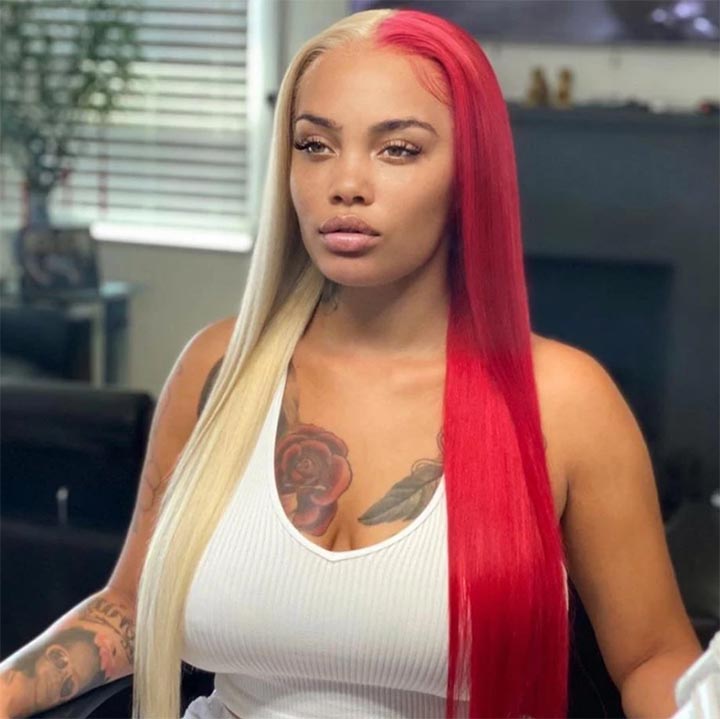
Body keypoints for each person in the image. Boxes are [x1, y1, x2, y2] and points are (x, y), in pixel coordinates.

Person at [0, 8, 703, 719]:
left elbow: (651, 656)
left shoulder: (564, 400)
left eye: (397, 149)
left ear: (470, 174)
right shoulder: (219, 369)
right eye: (315, 145)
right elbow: (128, 608)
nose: (346, 183)